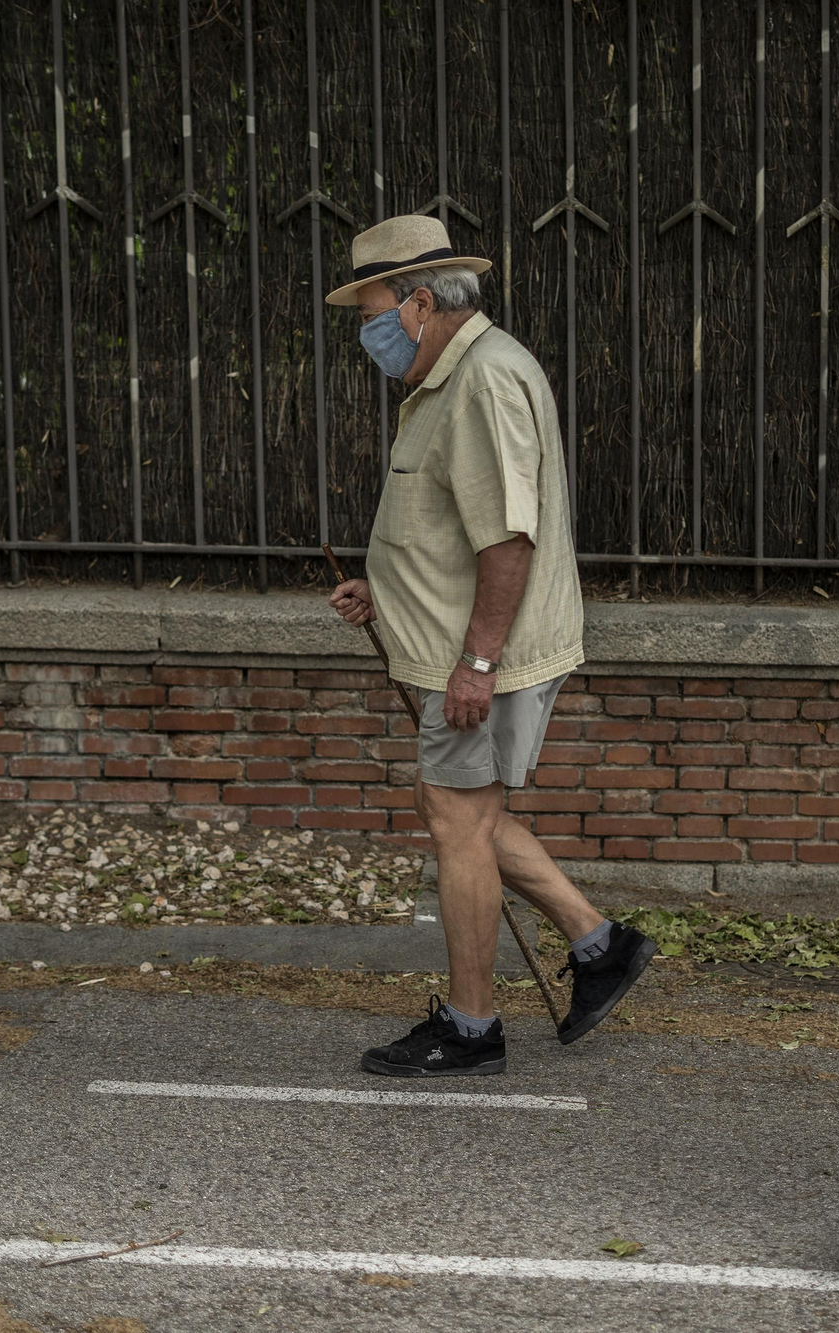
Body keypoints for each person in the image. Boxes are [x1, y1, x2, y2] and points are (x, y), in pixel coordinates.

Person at [323, 216, 656, 1077]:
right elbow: (447, 521)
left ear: (419, 305)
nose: (366, 333)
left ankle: (472, 1026)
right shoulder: (459, 375)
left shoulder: (483, 381)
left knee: (457, 821)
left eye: (371, 312)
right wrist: (385, 592)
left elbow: (508, 540)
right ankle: (599, 946)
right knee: (469, 815)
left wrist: (478, 662)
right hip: (458, 646)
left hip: (482, 658)